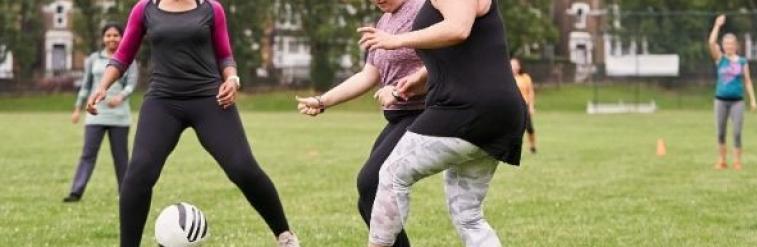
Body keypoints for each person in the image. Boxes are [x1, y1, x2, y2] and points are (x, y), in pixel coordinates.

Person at [84, 0, 299, 246]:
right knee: (138, 175)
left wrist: (232, 80)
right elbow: (123, 56)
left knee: (243, 168)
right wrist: (102, 86)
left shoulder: (210, 8)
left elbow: (225, 56)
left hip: (210, 99)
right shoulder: (145, 9)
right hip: (163, 102)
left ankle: (285, 236)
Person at [356, 0, 526, 246]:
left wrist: (397, 40)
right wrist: (419, 77)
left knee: (392, 174)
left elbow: (458, 28)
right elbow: (466, 44)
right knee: (468, 216)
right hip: (495, 110)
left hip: (468, 109)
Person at [295, 0, 426, 246]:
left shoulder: (423, 10)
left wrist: (400, 90)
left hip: (422, 112)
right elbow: (369, 75)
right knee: (368, 199)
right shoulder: (384, 20)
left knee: (371, 184)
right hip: (397, 116)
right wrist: (322, 101)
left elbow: (439, 64)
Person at [64, 23, 138, 203]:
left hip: (119, 117)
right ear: (103, 38)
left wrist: (121, 96)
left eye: (115, 35)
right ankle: (76, 191)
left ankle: (125, 193)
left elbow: (131, 84)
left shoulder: (129, 59)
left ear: (122, 37)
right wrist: (77, 108)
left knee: (121, 157)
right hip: (95, 115)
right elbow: (86, 85)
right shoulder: (93, 59)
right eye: (108, 35)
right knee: (88, 155)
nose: (112, 38)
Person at [707, 14, 757, 170]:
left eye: (731, 44)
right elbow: (711, 42)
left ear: (736, 45)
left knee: (736, 132)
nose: (729, 46)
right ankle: (722, 160)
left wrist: (753, 100)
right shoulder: (720, 59)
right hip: (720, 100)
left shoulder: (742, 61)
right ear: (723, 46)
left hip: (737, 101)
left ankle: (737, 161)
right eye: (726, 43)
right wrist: (717, 25)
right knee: (720, 132)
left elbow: (748, 81)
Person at [511, 58, 536, 153]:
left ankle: (532, 146)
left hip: (524, 106)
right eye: (511, 65)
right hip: (512, 107)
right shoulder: (507, 78)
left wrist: (531, 106)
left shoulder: (525, 77)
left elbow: (531, 93)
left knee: (529, 127)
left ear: (519, 66)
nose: (513, 67)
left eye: (515, 65)